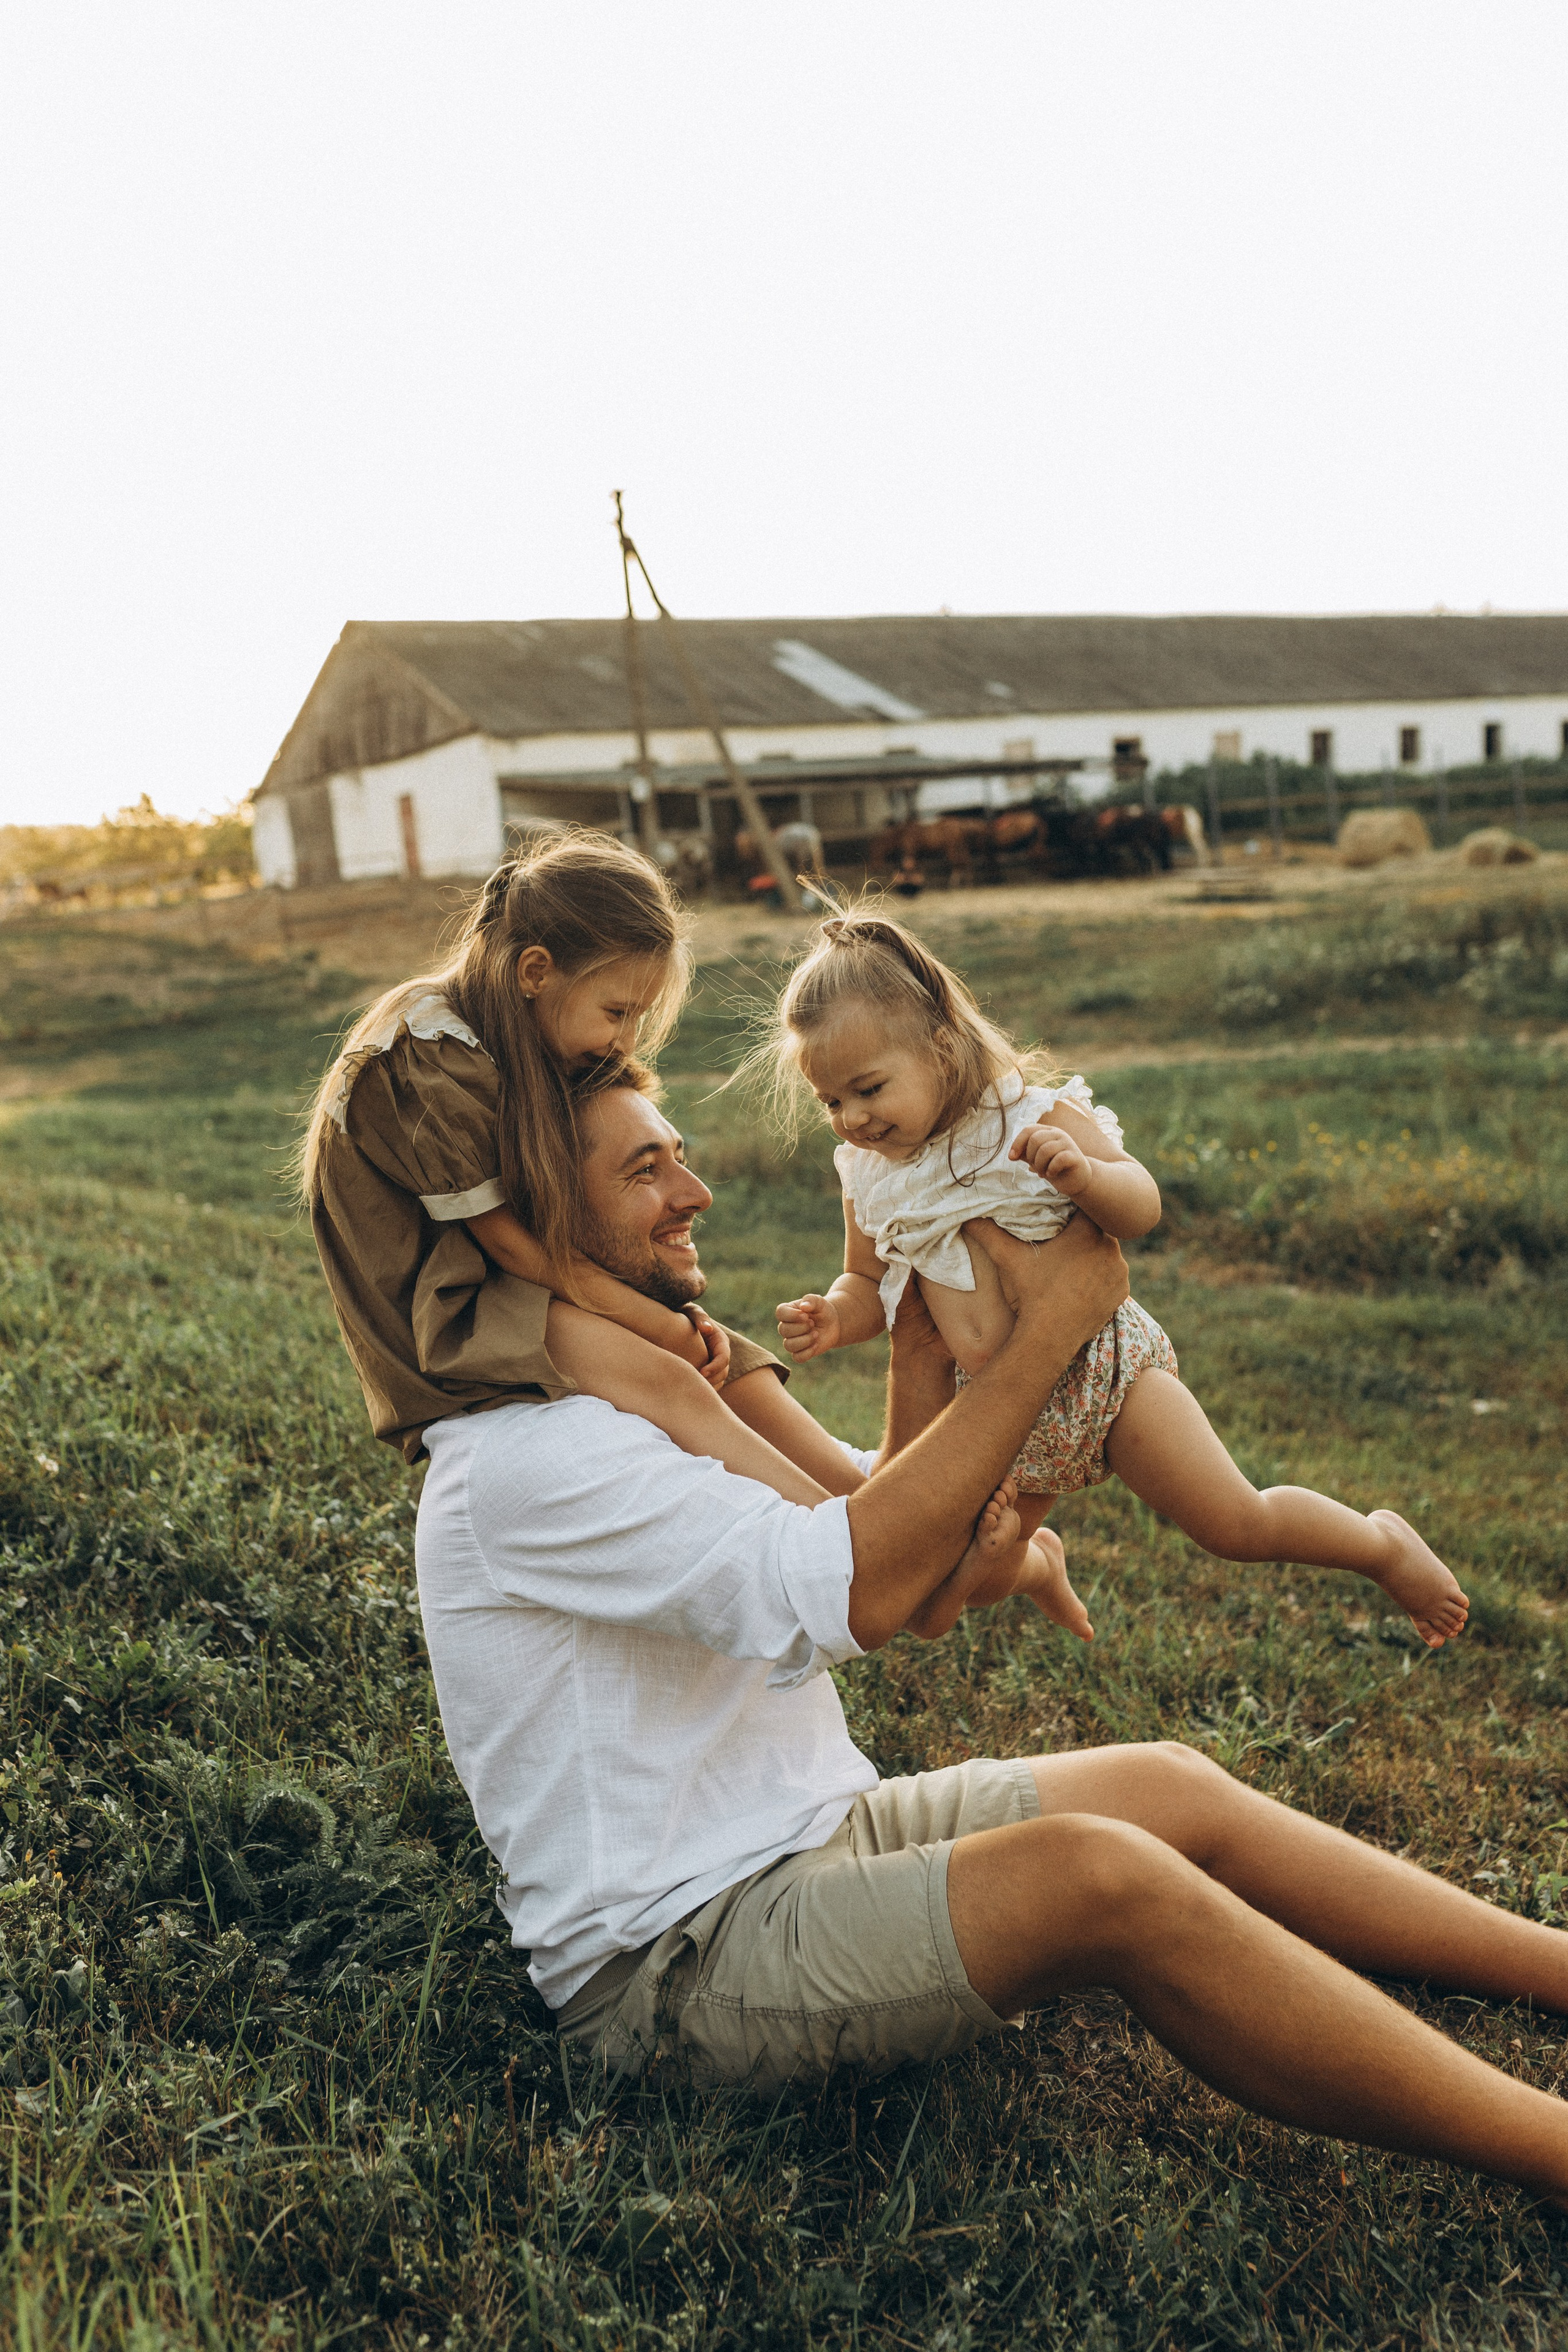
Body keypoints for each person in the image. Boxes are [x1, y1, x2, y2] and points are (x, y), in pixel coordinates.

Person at [412, 1060, 1568, 2204]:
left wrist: (929, 1367)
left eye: (679, 1157)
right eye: (645, 1171)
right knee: (1101, 1879)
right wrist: (1050, 1331)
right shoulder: (536, 1454)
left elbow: (878, 1504)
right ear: (543, 1224)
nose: (694, 1192)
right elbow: (855, 1583)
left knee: (1167, 1787)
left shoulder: (640, 1397)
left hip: (815, 1836)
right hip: (676, 1962)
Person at [766, 908, 1469, 1648]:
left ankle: (1382, 1547)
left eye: (869, 1089)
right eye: (831, 1101)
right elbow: (868, 1282)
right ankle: (1040, 1564)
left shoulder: (1023, 1118)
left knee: (1233, 1522)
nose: (852, 1118)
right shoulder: (868, 1176)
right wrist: (836, 1315)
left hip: (1106, 1374)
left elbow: (1142, 1206)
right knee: (969, 1573)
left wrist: (1086, 1177)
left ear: (941, 1050)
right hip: (997, 1405)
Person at [298, 833, 858, 1501]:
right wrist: (660, 1326)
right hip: (448, 1314)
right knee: (672, 1372)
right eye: (617, 1013)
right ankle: (848, 1539)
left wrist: (676, 1325)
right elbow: (511, 1249)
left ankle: (864, 1498)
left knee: (728, 1359)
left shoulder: (508, 1030)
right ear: (535, 972)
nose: (625, 1041)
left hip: (514, 1282)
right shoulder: (429, 1054)